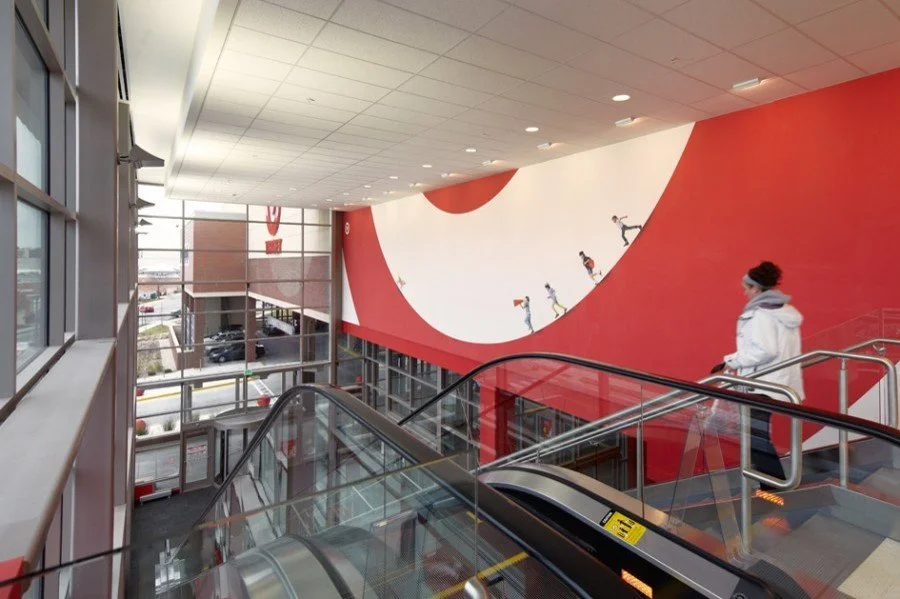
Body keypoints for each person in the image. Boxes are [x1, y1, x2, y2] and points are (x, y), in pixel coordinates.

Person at [722, 261, 804, 490]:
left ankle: (775, 489)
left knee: (754, 439)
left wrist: (732, 361)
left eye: (746, 287)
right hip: (779, 382)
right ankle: (773, 487)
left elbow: (765, 350)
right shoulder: (784, 312)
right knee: (756, 437)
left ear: (756, 289)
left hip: (762, 384)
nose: (744, 292)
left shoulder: (759, 315)